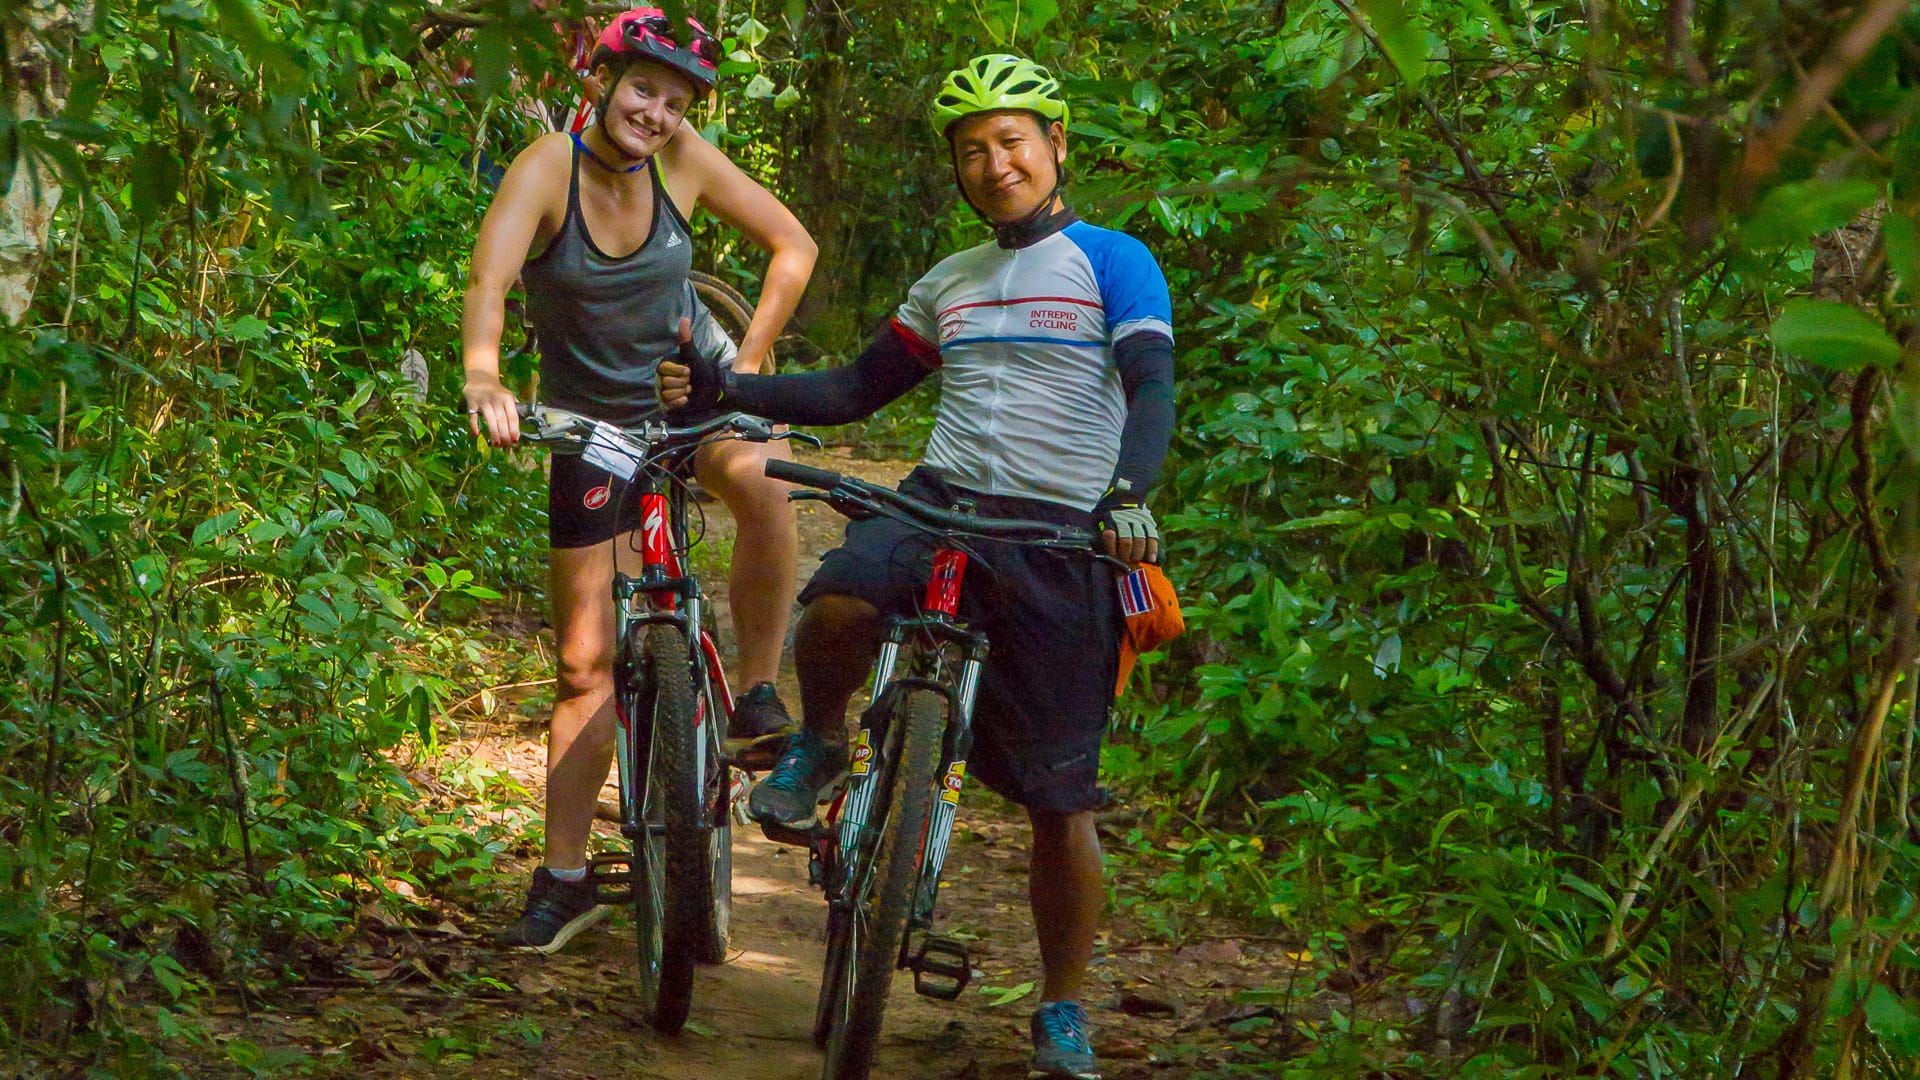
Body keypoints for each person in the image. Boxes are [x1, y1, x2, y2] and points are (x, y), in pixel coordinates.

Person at [660, 53, 1174, 1080]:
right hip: (939, 501)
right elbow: (857, 388)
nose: (995, 164)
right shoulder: (951, 282)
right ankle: (818, 744)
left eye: (1012, 142)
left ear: (1055, 146)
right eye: (973, 151)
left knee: (1062, 800)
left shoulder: (1115, 262)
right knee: (841, 599)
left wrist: (1126, 496)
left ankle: (1062, 1011)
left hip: (1059, 531)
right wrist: (729, 387)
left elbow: (1150, 385)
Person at [461, 6, 817, 952]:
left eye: (676, 100)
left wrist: (742, 365)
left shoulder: (684, 162)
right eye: (642, 89)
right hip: (596, 426)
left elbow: (795, 248)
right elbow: (489, 281)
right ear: (601, 82)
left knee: (764, 483)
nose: (655, 112)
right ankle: (566, 877)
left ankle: (754, 696)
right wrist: (485, 373)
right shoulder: (548, 169)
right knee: (584, 666)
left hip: (692, 397)